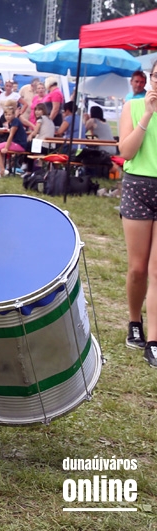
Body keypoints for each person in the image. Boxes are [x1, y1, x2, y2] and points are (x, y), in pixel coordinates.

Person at [117, 69, 157, 365]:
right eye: (156, 76)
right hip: (138, 187)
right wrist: (148, 114)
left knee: (156, 271)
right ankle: (134, 321)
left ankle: (153, 341)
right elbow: (127, 152)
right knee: (138, 269)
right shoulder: (133, 106)